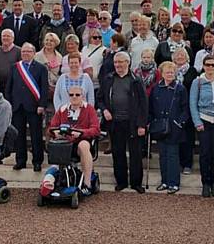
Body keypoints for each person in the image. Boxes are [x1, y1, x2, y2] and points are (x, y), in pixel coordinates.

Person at [99, 51, 148, 193]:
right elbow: (100, 98)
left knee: (136, 154)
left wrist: (141, 124)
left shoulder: (136, 80)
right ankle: (121, 182)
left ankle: (136, 183)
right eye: (116, 62)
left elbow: (143, 104)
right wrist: (104, 110)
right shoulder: (108, 79)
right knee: (117, 153)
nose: (118, 65)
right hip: (115, 122)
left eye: (121, 62)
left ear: (128, 62)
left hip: (132, 123)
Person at [49, 84, 100, 195]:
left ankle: (87, 184)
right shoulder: (62, 110)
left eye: (77, 94)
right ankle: (52, 181)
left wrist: (81, 133)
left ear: (82, 96)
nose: (74, 97)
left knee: (83, 145)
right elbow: (51, 128)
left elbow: (96, 129)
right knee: (55, 144)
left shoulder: (89, 109)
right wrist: (56, 132)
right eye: (71, 95)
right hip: (65, 144)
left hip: (81, 143)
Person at [190, 55, 214, 197]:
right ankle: (205, 182)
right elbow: (192, 103)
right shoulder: (198, 82)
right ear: (204, 65)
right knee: (205, 153)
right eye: (208, 65)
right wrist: (197, 122)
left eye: (213, 65)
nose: (210, 68)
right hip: (204, 120)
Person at [7, 43, 49, 172]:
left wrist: (42, 105)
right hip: (17, 106)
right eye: (23, 51)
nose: (25, 54)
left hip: (34, 107)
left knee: (36, 135)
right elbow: (9, 87)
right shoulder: (15, 67)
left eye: (28, 51)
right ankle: (20, 161)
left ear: (34, 53)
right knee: (19, 136)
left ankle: (37, 161)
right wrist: (9, 104)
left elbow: (44, 88)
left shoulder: (41, 68)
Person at [149, 61, 189, 194]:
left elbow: (185, 108)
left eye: (172, 72)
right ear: (162, 73)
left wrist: (180, 122)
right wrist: (151, 121)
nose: (170, 74)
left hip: (174, 127)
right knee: (162, 155)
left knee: (173, 156)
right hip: (160, 127)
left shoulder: (180, 88)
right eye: (167, 72)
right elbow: (151, 107)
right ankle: (164, 181)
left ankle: (174, 183)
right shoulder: (156, 88)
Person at [34, 33, 62, 115]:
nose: (49, 42)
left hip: (53, 90)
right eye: (47, 40)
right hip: (39, 89)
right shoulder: (36, 56)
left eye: (51, 41)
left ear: (56, 43)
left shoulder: (60, 57)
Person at [0, 29, 21, 93]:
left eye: (8, 36)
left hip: (13, 86)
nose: (5, 38)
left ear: (13, 38)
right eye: (3, 36)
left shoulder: (19, 51)